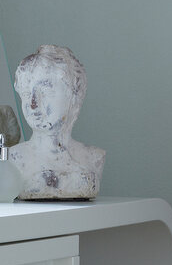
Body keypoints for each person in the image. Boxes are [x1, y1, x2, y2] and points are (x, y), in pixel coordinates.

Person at [9, 44, 105, 199]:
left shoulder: (93, 157)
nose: (33, 104)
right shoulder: (13, 158)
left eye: (45, 91)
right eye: (26, 93)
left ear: (74, 95)